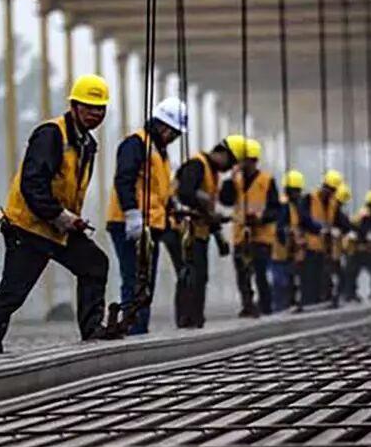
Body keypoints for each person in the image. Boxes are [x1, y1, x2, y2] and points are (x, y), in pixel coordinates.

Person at [0, 75, 112, 353]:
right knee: (13, 292)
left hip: (58, 227)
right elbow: (33, 183)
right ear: (75, 106)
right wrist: (60, 216)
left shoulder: (86, 144)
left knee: (94, 264)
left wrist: (69, 220)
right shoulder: (51, 135)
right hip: (29, 227)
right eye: (90, 107)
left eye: (101, 108)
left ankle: (92, 329)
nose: (96, 114)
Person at [105, 97, 185, 334]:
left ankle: (139, 328)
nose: (175, 139)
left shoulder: (160, 152)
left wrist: (174, 209)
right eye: (175, 133)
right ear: (164, 126)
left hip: (151, 226)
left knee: (145, 281)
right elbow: (124, 180)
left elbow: (160, 192)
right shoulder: (136, 144)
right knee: (134, 279)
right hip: (128, 224)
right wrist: (131, 214)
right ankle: (133, 329)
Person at [173, 135, 244, 328]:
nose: (229, 168)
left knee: (200, 276)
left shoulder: (211, 172)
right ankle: (187, 318)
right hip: (188, 231)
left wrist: (216, 228)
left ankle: (196, 318)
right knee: (191, 275)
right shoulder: (197, 165)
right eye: (231, 162)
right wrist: (202, 201)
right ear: (222, 153)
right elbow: (185, 193)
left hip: (200, 231)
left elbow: (207, 208)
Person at [219, 138, 279, 317]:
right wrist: (230, 178)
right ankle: (248, 304)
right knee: (242, 273)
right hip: (240, 235)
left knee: (260, 272)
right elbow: (226, 200)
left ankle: (266, 305)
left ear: (254, 161)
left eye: (248, 161)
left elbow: (275, 208)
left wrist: (261, 218)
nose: (245, 164)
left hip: (261, 236)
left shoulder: (267, 181)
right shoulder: (235, 180)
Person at [301, 169, 350, 306]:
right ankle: (308, 303)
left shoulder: (333, 204)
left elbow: (343, 223)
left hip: (324, 249)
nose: (330, 193)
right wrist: (319, 228)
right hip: (308, 248)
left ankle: (322, 301)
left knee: (322, 279)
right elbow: (304, 218)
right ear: (323, 186)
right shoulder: (309, 199)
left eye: (333, 190)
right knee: (309, 279)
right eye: (328, 189)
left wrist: (341, 229)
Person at [271, 169, 313, 313]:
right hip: (279, 250)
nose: (298, 194)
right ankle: (278, 307)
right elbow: (280, 227)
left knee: (289, 279)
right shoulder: (283, 205)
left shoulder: (294, 206)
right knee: (280, 280)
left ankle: (287, 304)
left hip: (289, 250)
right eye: (296, 191)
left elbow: (305, 222)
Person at [343, 189, 371, 302]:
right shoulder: (367, 216)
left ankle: (350, 293)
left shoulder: (363, 213)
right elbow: (362, 232)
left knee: (352, 271)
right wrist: (367, 246)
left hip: (355, 247)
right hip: (357, 247)